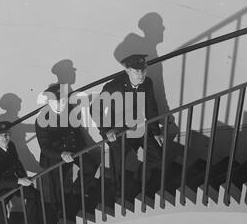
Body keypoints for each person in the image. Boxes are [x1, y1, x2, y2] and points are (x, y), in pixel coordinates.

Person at [91, 54, 165, 197]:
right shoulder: (114, 86)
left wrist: (156, 131)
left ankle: (143, 183)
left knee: (156, 155)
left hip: (138, 126)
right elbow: (95, 109)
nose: (141, 74)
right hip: (117, 130)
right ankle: (118, 193)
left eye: (143, 70)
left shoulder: (147, 83)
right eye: (136, 71)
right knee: (119, 164)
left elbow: (151, 107)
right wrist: (106, 131)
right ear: (127, 71)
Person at [35, 83, 99, 211]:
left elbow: (75, 130)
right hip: (55, 156)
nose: (61, 104)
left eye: (63, 100)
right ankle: (57, 212)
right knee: (56, 188)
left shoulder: (69, 109)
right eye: (57, 101)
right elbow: (45, 147)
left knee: (90, 166)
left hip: (74, 149)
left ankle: (76, 192)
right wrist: (62, 154)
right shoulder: (42, 119)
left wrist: (83, 148)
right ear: (48, 101)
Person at [0, 121, 42, 224]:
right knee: (1, 210)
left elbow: (17, 163)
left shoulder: (11, 145)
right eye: (1, 135)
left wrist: (24, 178)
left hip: (13, 183)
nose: (5, 138)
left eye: (7, 134)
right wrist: (19, 180)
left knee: (34, 194)